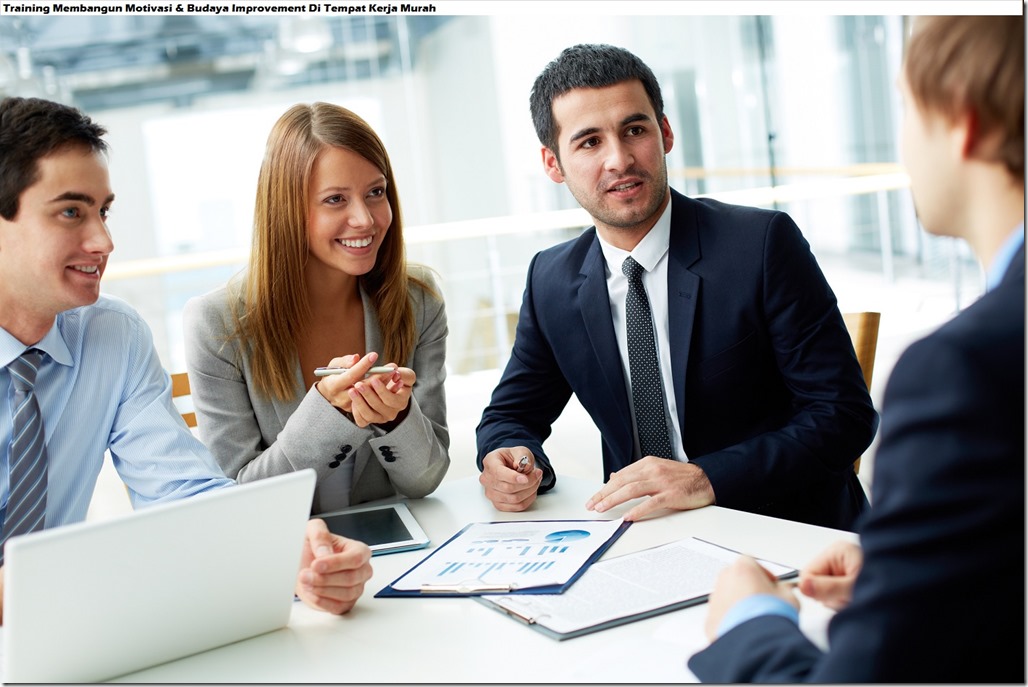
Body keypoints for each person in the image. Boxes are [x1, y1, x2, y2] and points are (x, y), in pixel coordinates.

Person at [689, 15, 1024, 682]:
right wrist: (923, 564)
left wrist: (748, 618)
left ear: (964, 122)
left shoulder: (963, 370)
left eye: (906, 107)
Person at [0, 96, 373, 623]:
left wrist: (287, 548)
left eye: (103, 211)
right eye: (70, 212)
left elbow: (182, 491)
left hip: (53, 635)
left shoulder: (113, 336)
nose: (103, 241)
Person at [476, 44, 877, 530]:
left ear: (665, 133)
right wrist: (508, 456)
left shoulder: (762, 245)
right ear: (553, 163)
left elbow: (843, 415)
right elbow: (510, 414)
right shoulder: (551, 279)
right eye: (589, 142)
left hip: (787, 530)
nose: (619, 159)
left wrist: (706, 477)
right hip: (647, 536)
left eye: (635, 130)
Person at [183, 103, 449, 515]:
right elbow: (240, 499)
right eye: (335, 199)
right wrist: (327, 414)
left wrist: (396, 420)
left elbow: (425, 479)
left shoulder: (418, 299)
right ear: (287, 211)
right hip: (285, 561)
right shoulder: (217, 325)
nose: (364, 219)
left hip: (395, 551)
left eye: (375, 193)